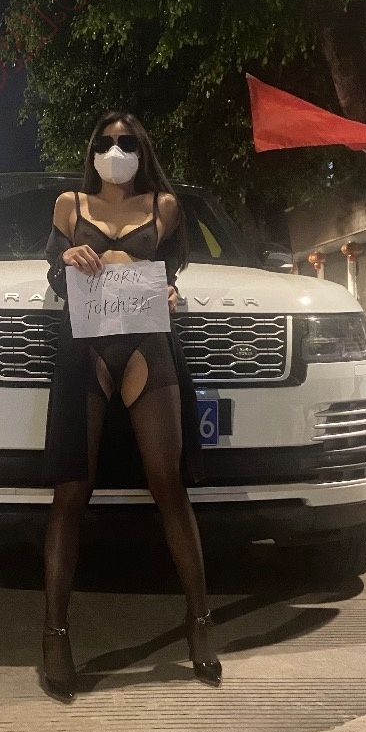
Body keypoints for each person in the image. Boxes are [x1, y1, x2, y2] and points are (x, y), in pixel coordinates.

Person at [42, 111, 222, 701]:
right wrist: (66, 260)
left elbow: (172, 273)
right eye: (106, 141)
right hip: (86, 345)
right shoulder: (69, 205)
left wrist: (170, 289)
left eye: (126, 142)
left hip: (147, 342)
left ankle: (200, 622)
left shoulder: (164, 206)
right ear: (92, 149)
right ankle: (55, 634)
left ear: (142, 149)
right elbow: (54, 275)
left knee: (168, 484)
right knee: (71, 492)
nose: (115, 150)